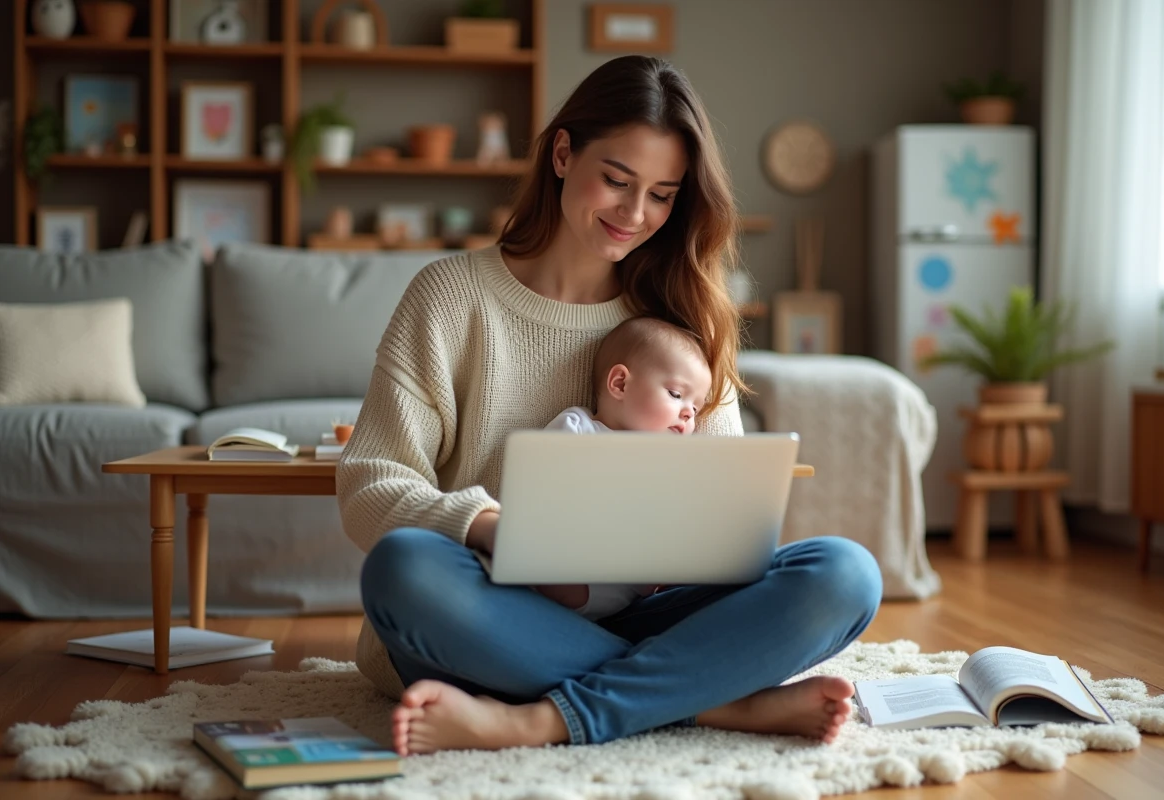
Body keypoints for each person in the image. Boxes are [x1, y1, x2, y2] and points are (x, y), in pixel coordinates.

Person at [337, 54, 883, 758]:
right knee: (404, 569)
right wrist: (496, 529)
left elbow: (722, 510)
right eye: (617, 181)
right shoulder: (449, 298)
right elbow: (369, 485)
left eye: (662, 194)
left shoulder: (683, 319)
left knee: (844, 575)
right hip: (495, 619)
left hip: (644, 614)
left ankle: (538, 718)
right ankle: (708, 698)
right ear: (563, 154)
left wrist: (682, 552)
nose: (635, 214)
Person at [535, 315, 712, 619]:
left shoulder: (670, 462)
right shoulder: (578, 427)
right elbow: (543, 486)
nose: (687, 415)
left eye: (695, 409)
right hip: (575, 568)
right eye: (676, 395)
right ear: (620, 384)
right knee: (550, 577)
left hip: (631, 592)